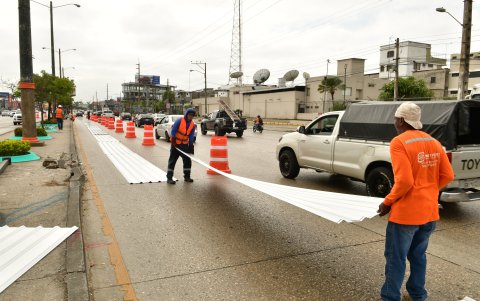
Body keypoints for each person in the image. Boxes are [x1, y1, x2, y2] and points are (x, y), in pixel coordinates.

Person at [377, 102, 454, 301]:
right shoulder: (434, 142)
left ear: (401, 120)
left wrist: (387, 202)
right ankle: (418, 294)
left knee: (396, 258)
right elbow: (448, 175)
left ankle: (390, 297)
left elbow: (404, 181)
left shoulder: (399, 142)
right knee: (418, 255)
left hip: (406, 216)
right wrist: (428, 191)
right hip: (429, 212)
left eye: (395, 118)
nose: (394, 122)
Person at [166, 108, 196, 184]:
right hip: (176, 144)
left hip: (184, 146)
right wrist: (173, 141)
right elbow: (173, 130)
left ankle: (187, 177)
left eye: (192, 115)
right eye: (190, 115)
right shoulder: (180, 120)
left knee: (187, 161)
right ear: (187, 114)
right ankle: (169, 178)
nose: (191, 117)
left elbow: (191, 135)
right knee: (172, 161)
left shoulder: (192, 124)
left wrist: (191, 144)